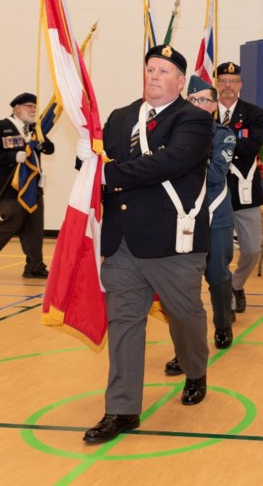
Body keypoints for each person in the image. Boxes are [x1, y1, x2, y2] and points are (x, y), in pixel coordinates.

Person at [82, 45, 214, 445]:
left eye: (164, 71)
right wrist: (85, 160)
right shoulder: (122, 117)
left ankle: (195, 367)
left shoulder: (193, 119)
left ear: (180, 80)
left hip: (173, 240)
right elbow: (100, 166)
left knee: (185, 314)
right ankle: (121, 409)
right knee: (123, 324)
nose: (154, 76)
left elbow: (170, 162)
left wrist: (109, 173)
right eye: (150, 69)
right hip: (122, 241)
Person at [164, 75, 237, 380]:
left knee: (217, 274)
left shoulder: (224, 135)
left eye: (204, 100)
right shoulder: (171, 132)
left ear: (214, 105)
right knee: (180, 287)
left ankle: (222, 323)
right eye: (192, 100)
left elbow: (216, 174)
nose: (198, 105)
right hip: (181, 218)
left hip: (214, 214)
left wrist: (182, 157)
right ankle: (185, 351)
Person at [0, 92, 55, 279]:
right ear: (17, 108)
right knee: (11, 223)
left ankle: (34, 266)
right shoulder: (0, 127)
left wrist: (40, 144)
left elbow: (50, 149)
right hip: (11, 187)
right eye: (29, 106)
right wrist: (11, 157)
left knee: (35, 227)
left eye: (35, 106)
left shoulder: (35, 130)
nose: (33, 110)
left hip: (33, 187)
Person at [214, 61, 263, 314]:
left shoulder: (254, 113)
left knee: (252, 249)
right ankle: (223, 294)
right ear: (217, 84)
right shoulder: (205, 112)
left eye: (232, 81)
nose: (227, 86)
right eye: (223, 81)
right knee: (216, 252)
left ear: (240, 85)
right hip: (213, 195)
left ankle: (236, 284)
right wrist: (235, 141)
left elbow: (252, 147)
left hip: (244, 192)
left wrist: (220, 142)